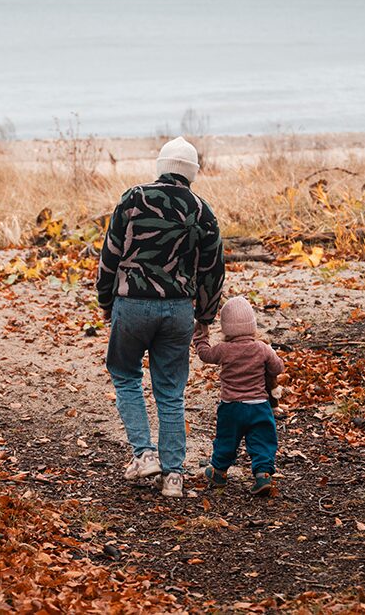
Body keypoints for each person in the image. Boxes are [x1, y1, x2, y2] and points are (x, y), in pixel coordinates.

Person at [96, 137, 225, 498]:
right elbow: (213, 270)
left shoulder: (132, 198)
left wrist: (106, 300)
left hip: (132, 303)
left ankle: (144, 453)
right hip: (178, 309)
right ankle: (173, 477)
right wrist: (205, 315)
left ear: (161, 166)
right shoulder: (202, 211)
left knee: (125, 374)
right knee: (170, 392)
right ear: (192, 173)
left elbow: (111, 253)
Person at [192, 295, 284, 496]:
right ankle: (262, 475)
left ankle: (218, 472)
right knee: (262, 439)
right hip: (259, 405)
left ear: (225, 328)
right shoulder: (262, 348)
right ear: (252, 325)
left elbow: (205, 355)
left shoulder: (224, 349)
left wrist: (200, 337)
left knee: (226, 439)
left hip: (231, 407)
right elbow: (277, 368)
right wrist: (270, 360)